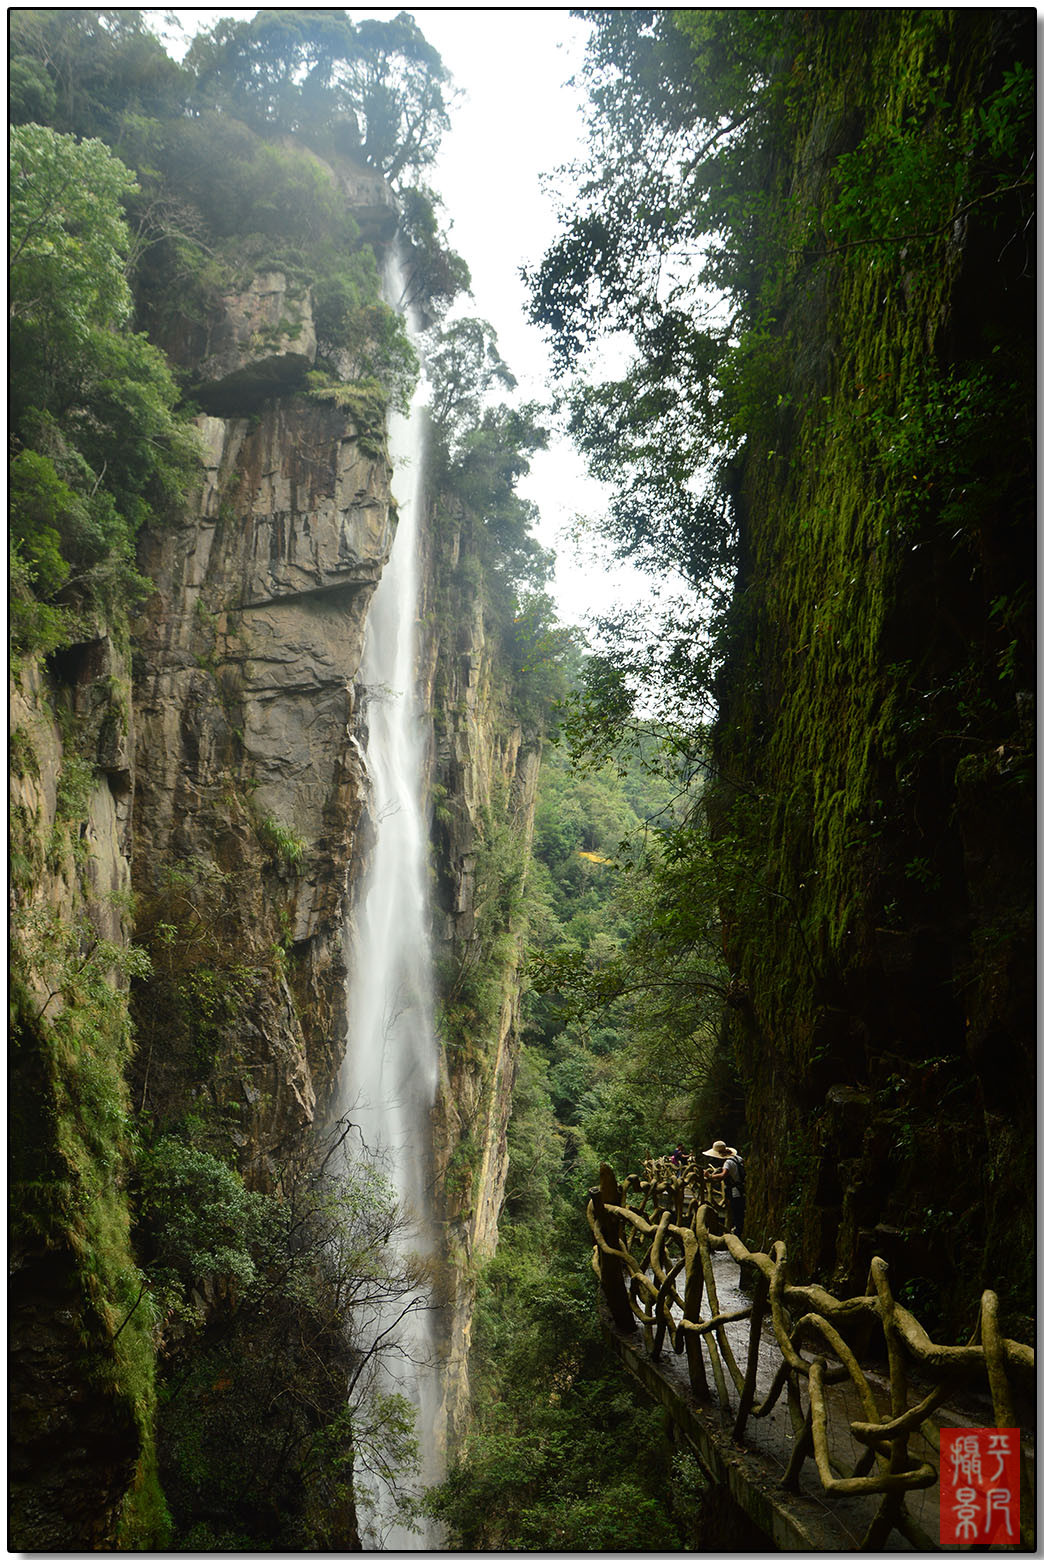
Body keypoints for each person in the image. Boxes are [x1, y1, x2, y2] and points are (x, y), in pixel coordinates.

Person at [701, 1139, 745, 1237]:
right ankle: (737, 1232)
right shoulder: (738, 1158)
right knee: (739, 1213)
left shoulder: (728, 1163)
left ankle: (737, 1235)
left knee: (737, 1214)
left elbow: (723, 1175)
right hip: (742, 1188)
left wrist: (710, 1176)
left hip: (735, 1191)